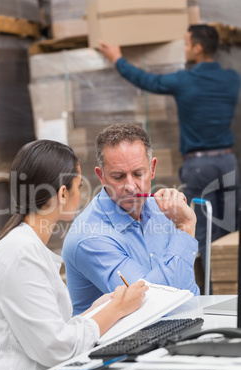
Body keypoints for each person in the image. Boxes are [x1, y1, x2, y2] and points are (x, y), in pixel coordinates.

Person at [0, 139, 186, 370]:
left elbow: (48, 330)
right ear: (63, 194)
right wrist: (116, 309)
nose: (82, 193)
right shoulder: (19, 255)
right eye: (79, 185)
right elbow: (57, 348)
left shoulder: (23, 248)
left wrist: (97, 308)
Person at [98, 24, 240, 273]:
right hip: (229, 163)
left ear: (197, 48)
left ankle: (210, 294)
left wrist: (117, 59)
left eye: (185, 44)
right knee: (231, 232)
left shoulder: (185, 80)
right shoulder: (232, 79)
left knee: (203, 232)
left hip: (199, 167)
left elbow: (146, 80)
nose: (184, 50)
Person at [63, 123, 199, 316]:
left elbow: (189, 291)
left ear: (152, 170)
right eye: (118, 176)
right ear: (101, 177)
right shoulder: (89, 237)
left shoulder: (163, 210)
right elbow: (151, 303)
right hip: (119, 341)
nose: (130, 186)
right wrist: (185, 228)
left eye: (138, 174)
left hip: (175, 324)